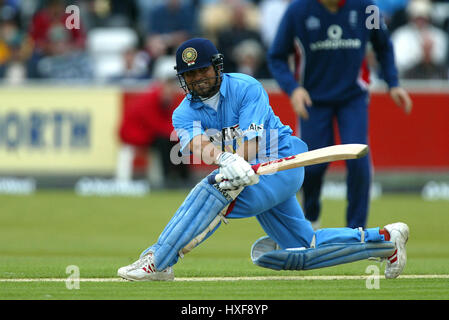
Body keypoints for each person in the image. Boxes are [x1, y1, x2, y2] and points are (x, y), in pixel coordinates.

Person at [117, 38, 409, 281]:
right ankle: (385, 240)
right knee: (303, 247)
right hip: (247, 174)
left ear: (217, 67)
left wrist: (233, 163)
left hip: (281, 164)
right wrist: (224, 159)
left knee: (214, 191)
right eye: (190, 75)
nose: (197, 79)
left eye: (202, 71)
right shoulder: (183, 112)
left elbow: (255, 141)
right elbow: (197, 144)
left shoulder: (245, 87)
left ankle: (159, 259)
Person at [267, 0, 413, 230]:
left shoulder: (367, 9)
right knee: (312, 165)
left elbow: (383, 46)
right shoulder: (298, 10)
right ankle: (310, 217)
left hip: (352, 97)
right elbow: (276, 56)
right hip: (312, 99)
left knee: (359, 161)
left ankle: (356, 230)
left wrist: (393, 82)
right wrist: (293, 89)